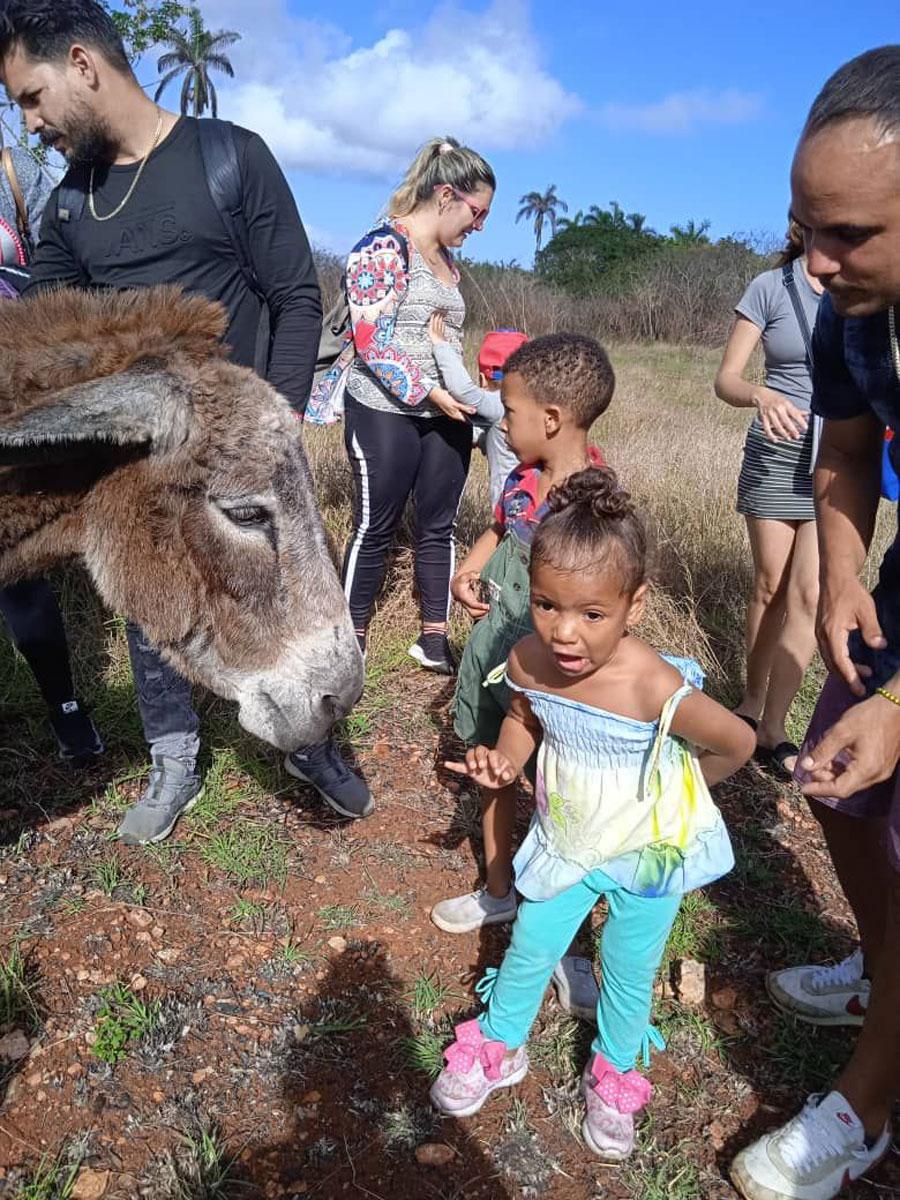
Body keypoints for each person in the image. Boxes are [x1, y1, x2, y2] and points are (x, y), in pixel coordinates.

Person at [0, 0, 352, 841]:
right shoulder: (73, 202)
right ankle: (174, 758)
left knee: (287, 588)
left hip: (243, 443)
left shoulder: (228, 158)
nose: (29, 119)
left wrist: (270, 428)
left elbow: (296, 298)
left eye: (30, 96)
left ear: (83, 65)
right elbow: (35, 312)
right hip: (135, 453)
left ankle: (315, 744)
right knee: (149, 606)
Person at [430, 469, 754, 1161]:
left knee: (629, 966)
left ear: (634, 604)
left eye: (591, 614)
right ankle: (499, 1044)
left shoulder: (652, 684)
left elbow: (738, 742)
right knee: (532, 944)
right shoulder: (530, 659)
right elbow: (523, 717)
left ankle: (614, 1072)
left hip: (647, 851)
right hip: (570, 839)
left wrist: (680, 789)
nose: (564, 632)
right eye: (547, 605)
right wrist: (507, 763)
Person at [730, 45, 900, 1200]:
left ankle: (866, 1107)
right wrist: (845, 578)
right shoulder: (852, 314)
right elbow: (843, 452)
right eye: (804, 228)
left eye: (850, 234)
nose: (818, 261)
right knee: (840, 785)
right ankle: (884, 972)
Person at [430, 334, 611, 937]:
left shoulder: (595, 505)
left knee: (557, 784)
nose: (500, 419)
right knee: (492, 759)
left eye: (509, 410)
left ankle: (558, 923)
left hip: (555, 671)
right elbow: (501, 531)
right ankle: (499, 885)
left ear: (552, 419)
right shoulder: (522, 480)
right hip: (495, 658)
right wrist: (470, 570)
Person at [307, 137, 495, 676]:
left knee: (440, 525)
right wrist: (428, 390)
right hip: (384, 408)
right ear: (445, 195)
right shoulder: (382, 246)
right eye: (476, 212)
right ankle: (350, 636)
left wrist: (463, 389)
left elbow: (444, 337)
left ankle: (434, 637)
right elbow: (371, 340)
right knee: (376, 523)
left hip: (446, 415)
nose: (478, 226)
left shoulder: (448, 264)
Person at [0, 143, 103, 766]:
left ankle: (64, 704)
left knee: (19, 571)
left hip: (14, 399)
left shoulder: (16, 172)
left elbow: (58, 270)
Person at [715, 222, 824, 776]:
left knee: (809, 594)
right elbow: (726, 380)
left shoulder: (871, 290)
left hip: (838, 457)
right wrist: (761, 394)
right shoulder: (769, 287)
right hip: (778, 449)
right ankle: (751, 701)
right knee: (771, 585)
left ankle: (777, 726)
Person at [428, 317, 528, 507]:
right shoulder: (533, 406)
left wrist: (440, 345)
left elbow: (463, 390)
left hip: (512, 511)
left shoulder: (502, 403)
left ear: (482, 378)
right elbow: (496, 439)